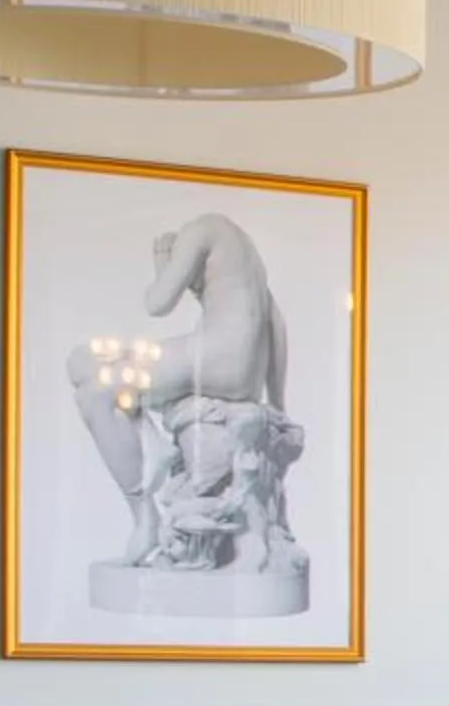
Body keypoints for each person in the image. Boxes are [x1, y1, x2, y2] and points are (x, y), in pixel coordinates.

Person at [65, 214, 290, 564]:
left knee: (96, 395)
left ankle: (144, 518)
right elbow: (277, 325)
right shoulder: (245, 254)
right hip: (239, 369)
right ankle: (154, 446)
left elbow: (157, 303)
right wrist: (276, 399)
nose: (195, 289)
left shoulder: (199, 230)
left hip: (212, 355)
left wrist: (163, 264)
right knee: (83, 366)